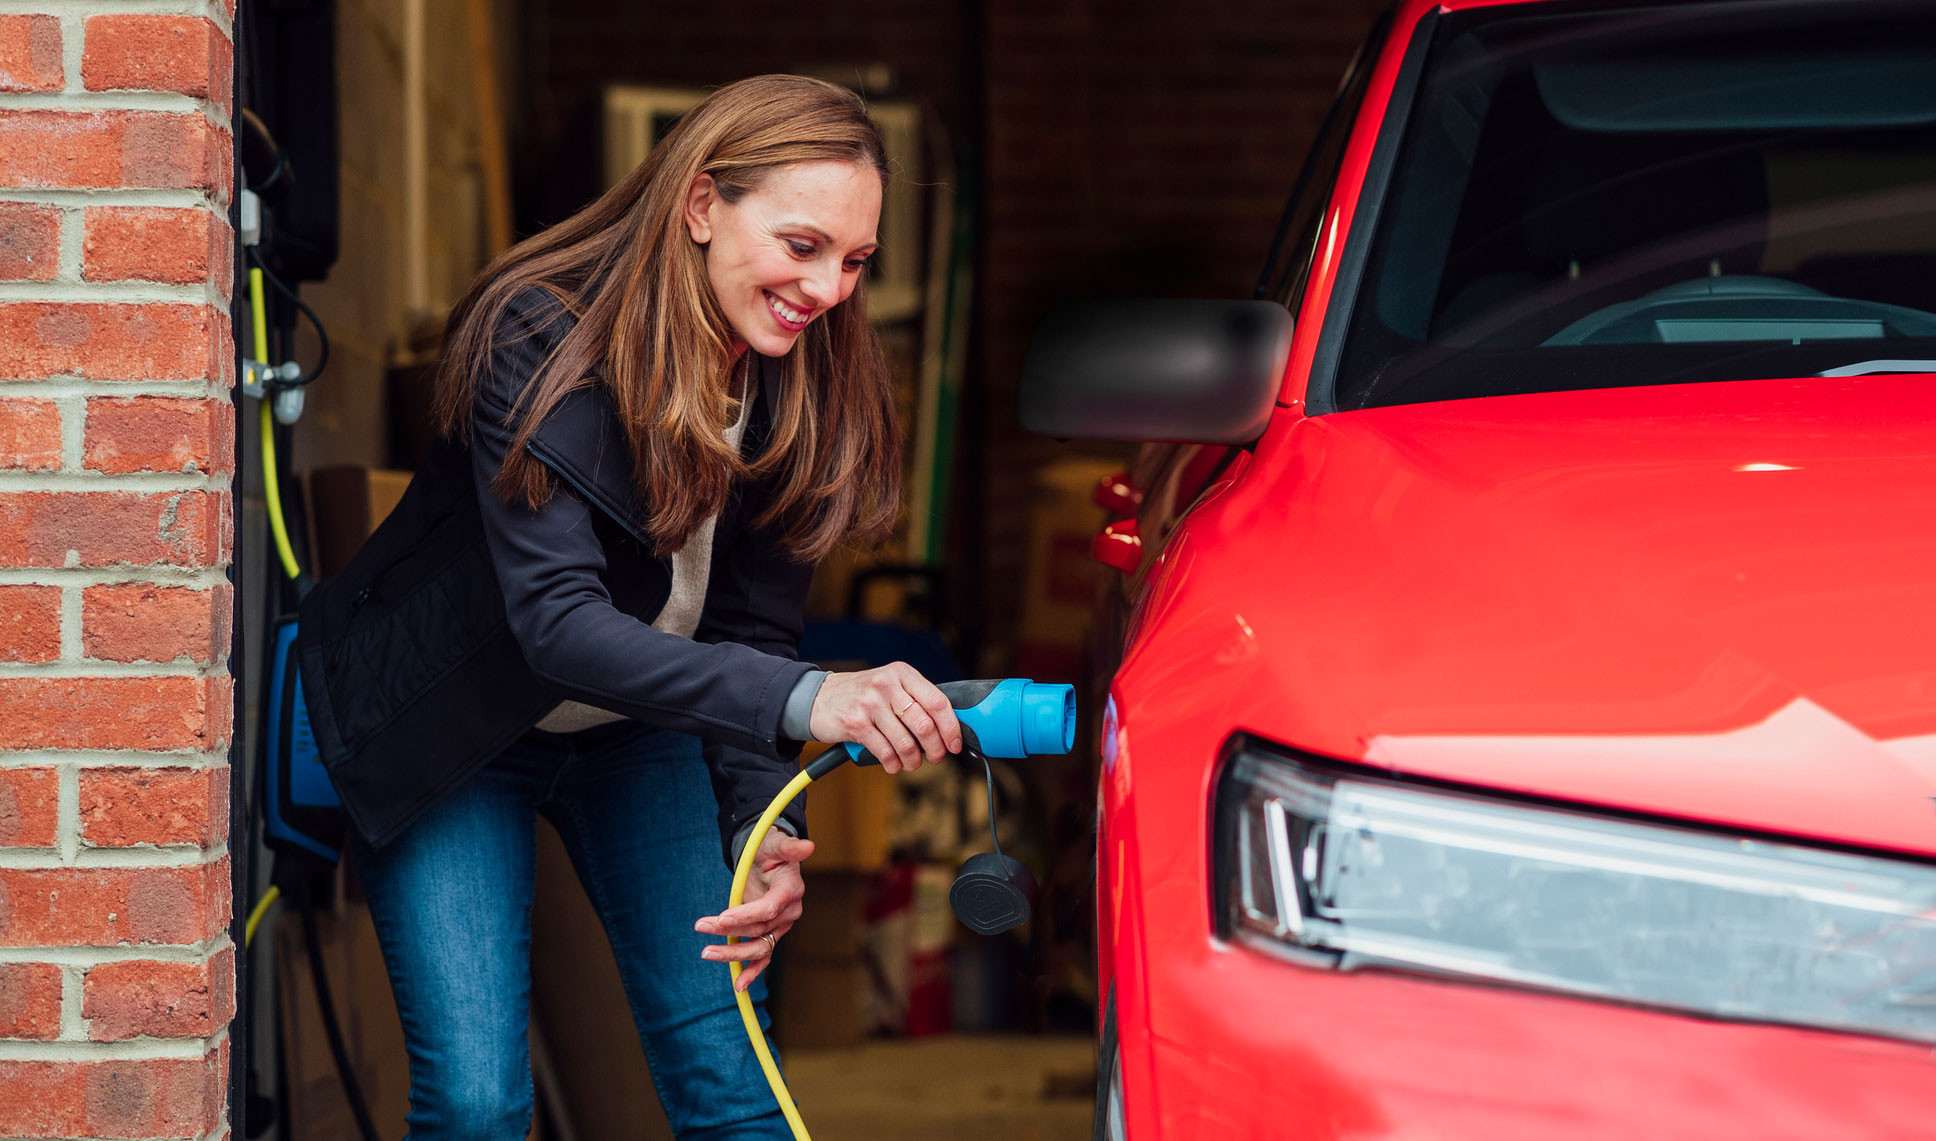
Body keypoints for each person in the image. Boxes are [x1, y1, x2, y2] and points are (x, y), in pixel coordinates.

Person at [295, 74, 961, 1139]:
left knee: (730, 1079)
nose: (830, 289)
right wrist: (808, 700)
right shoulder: (539, 335)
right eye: (801, 246)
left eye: (854, 261)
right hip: (457, 726)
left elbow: (751, 629)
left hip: (635, 734)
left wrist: (759, 821)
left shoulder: (804, 375)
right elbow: (554, 626)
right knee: (476, 1101)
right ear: (701, 205)